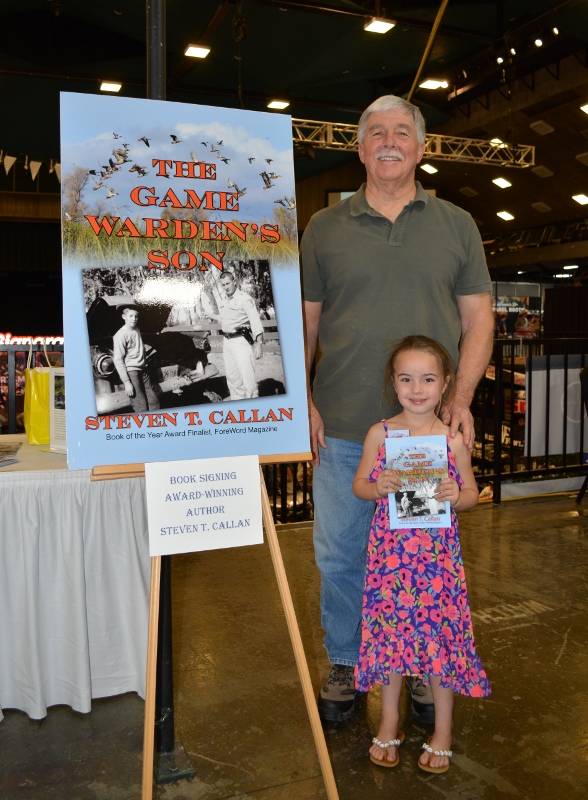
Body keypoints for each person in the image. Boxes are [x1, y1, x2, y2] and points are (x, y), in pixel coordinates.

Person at [301, 94, 495, 724]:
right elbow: (303, 324)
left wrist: (460, 402)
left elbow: (478, 317)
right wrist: (300, 399)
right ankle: (346, 658)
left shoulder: (456, 224)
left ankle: (414, 663)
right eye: (375, 132)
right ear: (359, 148)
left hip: (424, 439)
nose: (389, 141)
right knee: (340, 555)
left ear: (420, 146)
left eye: (401, 132)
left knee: (421, 560)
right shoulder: (324, 228)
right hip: (345, 425)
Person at [353, 335, 491, 773]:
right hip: (391, 563)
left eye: (428, 379)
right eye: (407, 378)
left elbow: (472, 493)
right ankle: (389, 719)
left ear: (446, 383)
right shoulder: (381, 433)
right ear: (394, 383)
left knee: (440, 645)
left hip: (437, 565)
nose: (417, 388)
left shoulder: (450, 440)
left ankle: (443, 731)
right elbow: (359, 486)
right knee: (393, 641)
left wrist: (456, 495)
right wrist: (378, 488)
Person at [215, 270, 264, 400]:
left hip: (241, 341)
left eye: (228, 283)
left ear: (234, 282)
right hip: (227, 341)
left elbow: (255, 320)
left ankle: (253, 403)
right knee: (232, 377)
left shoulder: (245, 299)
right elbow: (225, 319)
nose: (226, 287)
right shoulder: (224, 300)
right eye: (223, 285)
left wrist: (258, 343)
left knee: (248, 377)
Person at [112, 305, 160, 412]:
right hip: (131, 372)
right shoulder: (120, 335)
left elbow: (138, 348)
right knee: (140, 404)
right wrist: (127, 382)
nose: (134, 319)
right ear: (124, 317)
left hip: (143, 369)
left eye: (136, 316)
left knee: (154, 400)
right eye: (130, 316)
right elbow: (118, 359)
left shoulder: (136, 329)